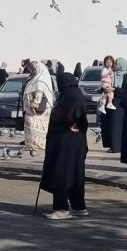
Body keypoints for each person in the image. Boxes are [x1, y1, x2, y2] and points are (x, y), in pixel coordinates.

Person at [39, 69, 90, 219]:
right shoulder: (74, 93)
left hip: (66, 143)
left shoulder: (70, 96)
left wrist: (71, 122)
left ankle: (62, 208)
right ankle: (78, 206)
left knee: (61, 174)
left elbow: (74, 113)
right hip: (73, 142)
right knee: (75, 175)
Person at [21, 61, 56, 154]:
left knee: (35, 126)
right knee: (34, 126)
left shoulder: (40, 81)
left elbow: (38, 95)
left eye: (34, 69)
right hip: (34, 109)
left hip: (37, 110)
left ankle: (36, 144)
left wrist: (34, 106)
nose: (33, 71)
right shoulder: (35, 79)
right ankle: (31, 144)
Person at [100, 55, 124, 153]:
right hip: (110, 102)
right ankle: (112, 146)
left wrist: (114, 89)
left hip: (118, 104)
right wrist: (105, 89)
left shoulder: (123, 75)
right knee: (110, 126)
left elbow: (123, 90)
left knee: (115, 127)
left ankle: (116, 147)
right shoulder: (110, 72)